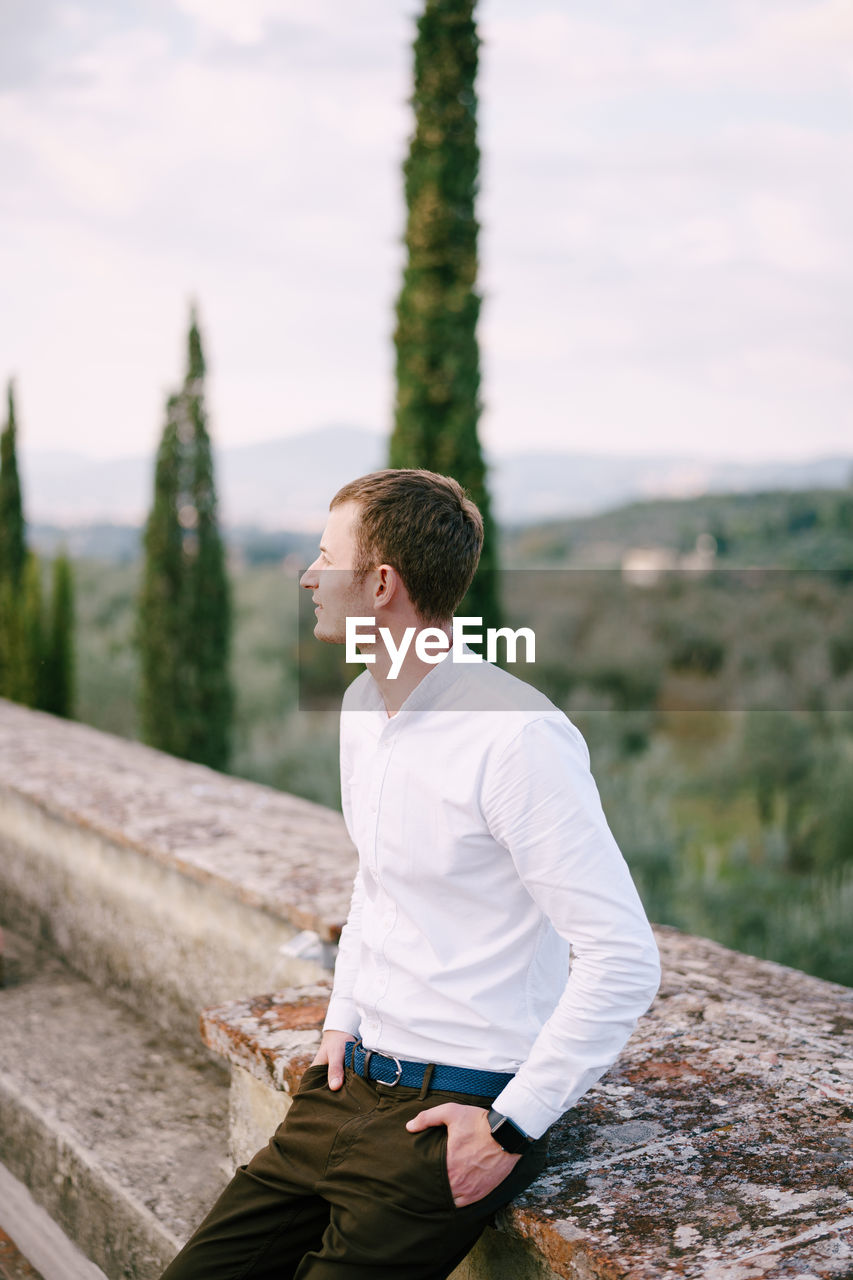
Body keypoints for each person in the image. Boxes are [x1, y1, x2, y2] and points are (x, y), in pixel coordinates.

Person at [160, 468, 661, 1280]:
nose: (307, 577)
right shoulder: (364, 706)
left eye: (326, 558)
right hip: (344, 1087)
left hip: (453, 1112)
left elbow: (623, 957)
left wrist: (510, 1129)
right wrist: (340, 1017)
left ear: (381, 583)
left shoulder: (516, 737)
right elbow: (376, 885)